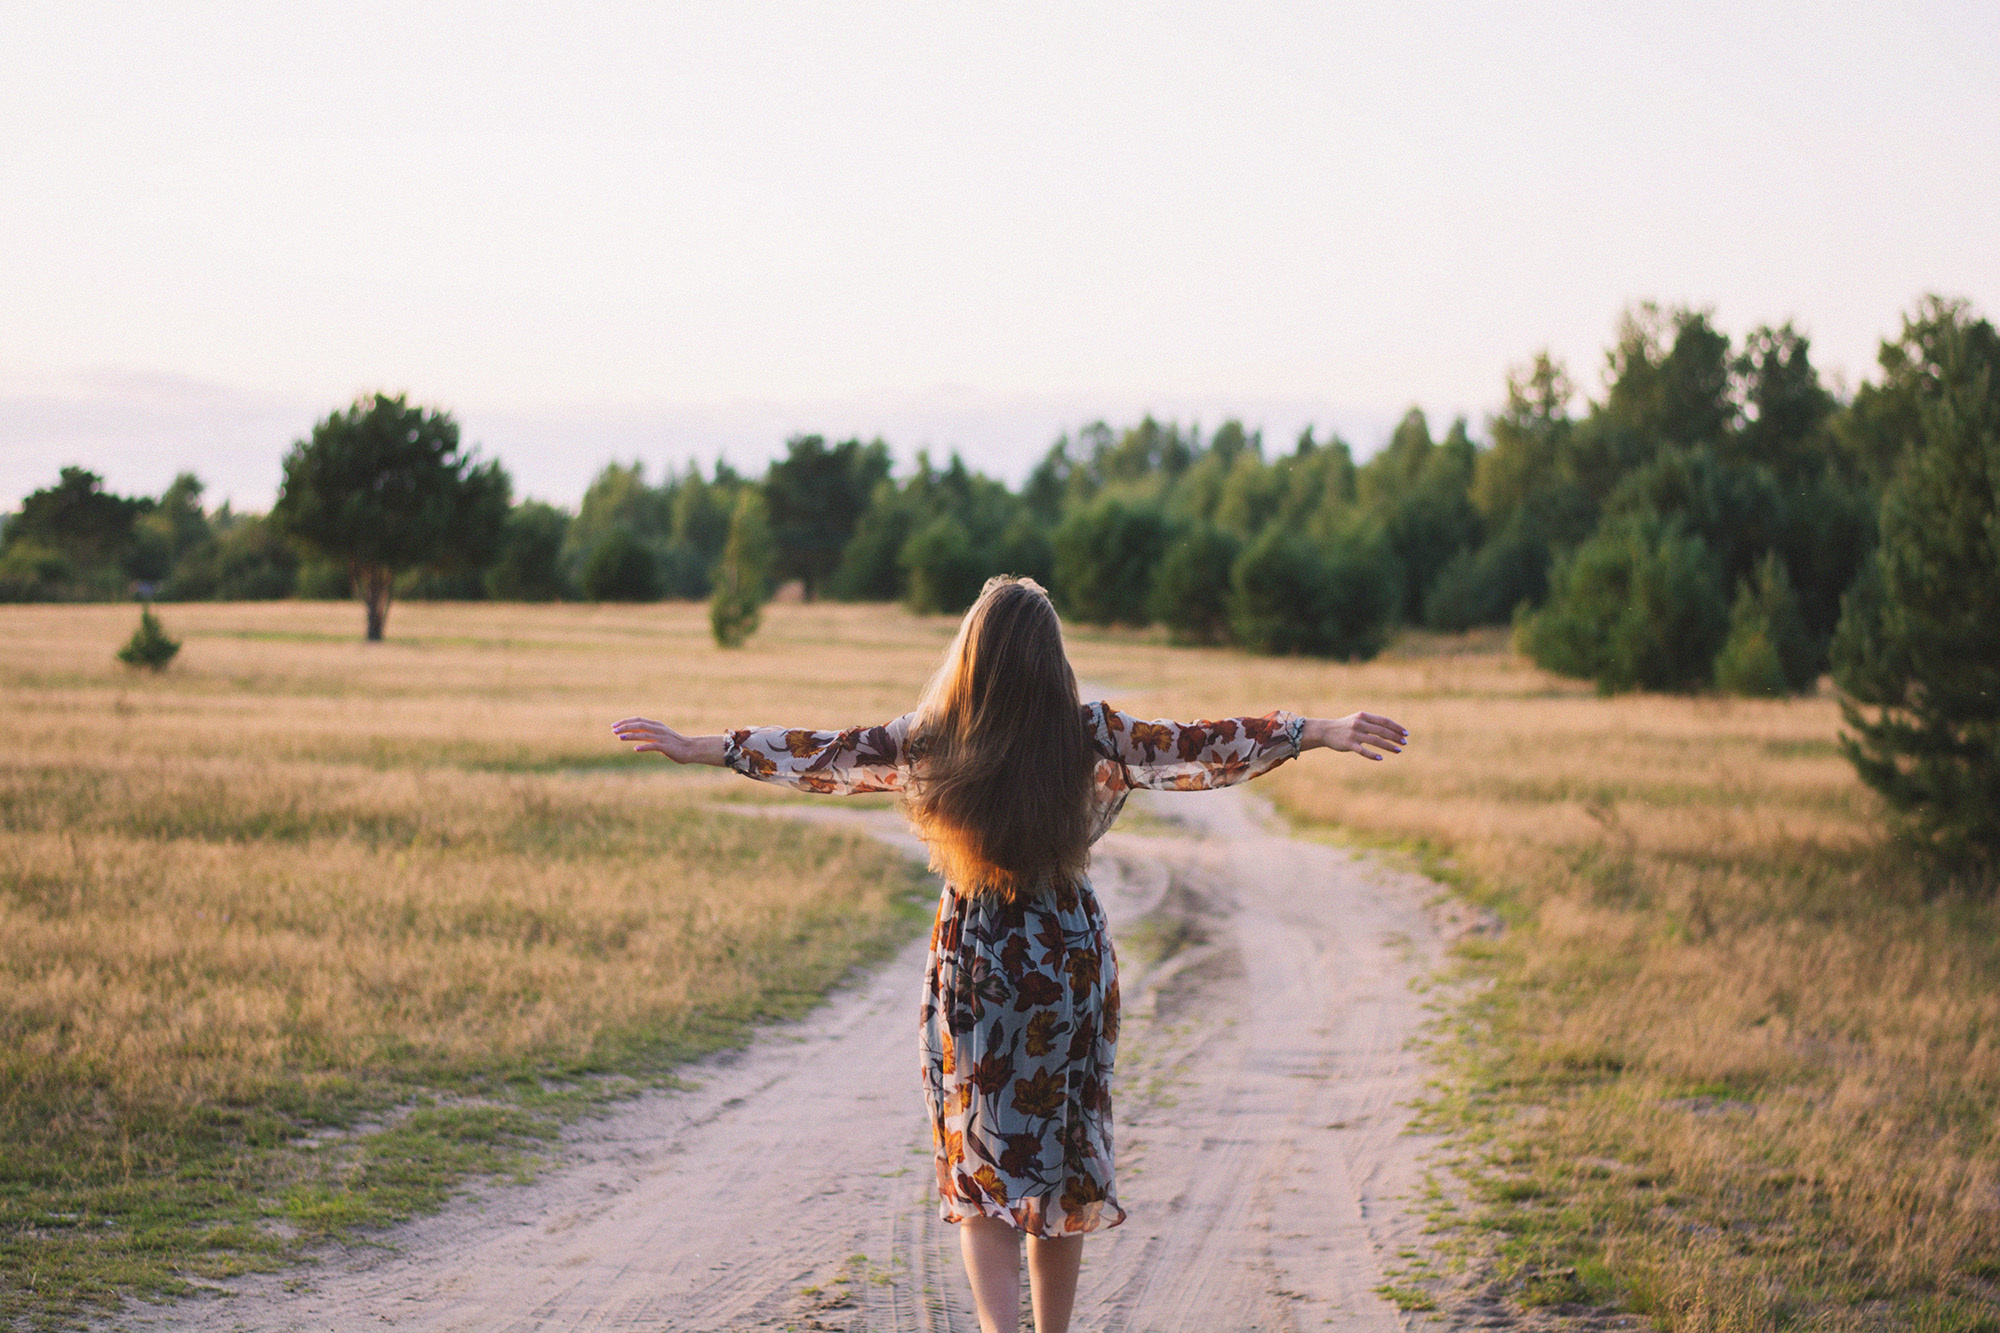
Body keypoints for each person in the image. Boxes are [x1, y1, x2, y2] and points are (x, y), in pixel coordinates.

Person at [613, 576, 1408, 1333]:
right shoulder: (1091, 732)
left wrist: (700, 746)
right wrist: (1318, 730)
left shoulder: (934, 740)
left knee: (983, 1162)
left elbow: (821, 751)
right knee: (1061, 1158)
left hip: (980, 960)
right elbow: (1202, 743)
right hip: (1066, 960)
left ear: (971, 659)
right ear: (1051, 661)